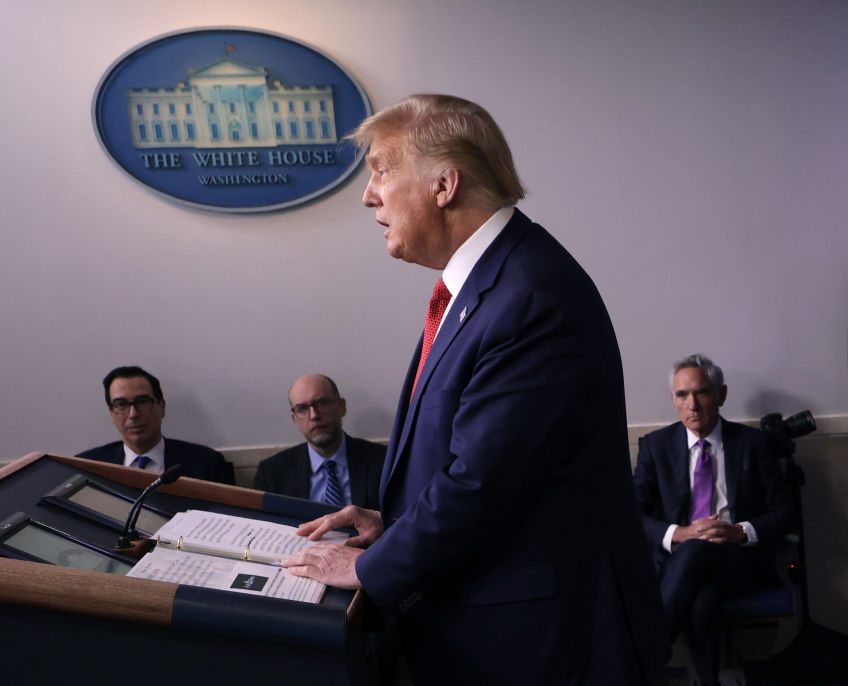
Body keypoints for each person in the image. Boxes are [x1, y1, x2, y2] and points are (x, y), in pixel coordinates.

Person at [282, 94, 669, 685]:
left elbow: (484, 483)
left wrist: (369, 568)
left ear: (444, 185)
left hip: (543, 644)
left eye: (383, 171)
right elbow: (489, 460)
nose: (368, 195)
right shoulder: (489, 284)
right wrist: (395, 522)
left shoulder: (531, 295)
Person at [632, 354, 794, 685]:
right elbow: (634, 514)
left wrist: (739, 531)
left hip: (738, 562)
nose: (692, 404)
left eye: (702, 392)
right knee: (701, 598)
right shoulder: (655, 446)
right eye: (682, 395)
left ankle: (643, 659)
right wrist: (679, 534)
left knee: (696, 553)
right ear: (673, 400)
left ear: (721, 394)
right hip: (680, 563)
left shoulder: (753, 444)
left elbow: (784, 513)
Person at [77, 366, 233, 484]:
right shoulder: (88, 468)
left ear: (162, 407)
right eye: (121, 405)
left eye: (142, 402)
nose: (133, 414)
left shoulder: (207, 463)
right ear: (111, 413)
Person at [254, 374, 385, 508]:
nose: (314, 415)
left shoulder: (384, 461)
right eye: (302, 409)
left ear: (342, 407)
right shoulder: (272, 473)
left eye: (322, 403)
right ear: (294, 419)